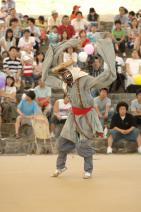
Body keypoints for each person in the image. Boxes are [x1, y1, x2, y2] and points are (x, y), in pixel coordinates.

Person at [51, 61, 105, 179]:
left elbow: (98, 81)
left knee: (84, 144)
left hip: (86, 115)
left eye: (65, 71)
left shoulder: (84, 79)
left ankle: (88, 170)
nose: (64, 75)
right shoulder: (65, 85)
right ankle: (60, 167)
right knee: (63, 141)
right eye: (62, 73)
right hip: (73, 115)